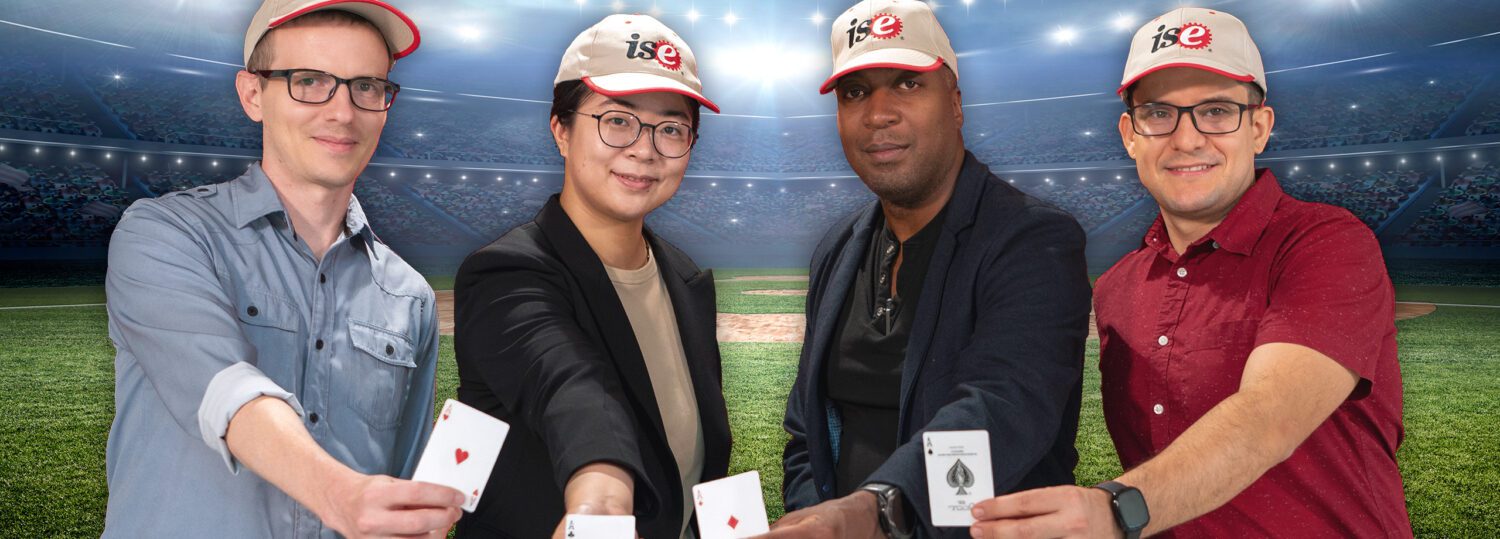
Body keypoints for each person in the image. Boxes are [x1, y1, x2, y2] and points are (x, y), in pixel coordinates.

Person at [969, 8, 1411, 538]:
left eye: (1217, 111)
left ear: (1260, 127)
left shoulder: (1325, 243)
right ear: (1130, 135)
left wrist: (1118, 509)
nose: (1187, 139)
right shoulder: (1116, 289)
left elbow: (1270, 416)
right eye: (1159, 114)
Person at [102, 1, 463, 537]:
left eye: (367, 86)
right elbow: (224, 390)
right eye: (310, 81)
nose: (342, 112)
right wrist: (338, 494)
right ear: (252, 94)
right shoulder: (165, 233)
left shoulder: (409, 297)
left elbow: (399, 480)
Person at [768, 1, 1093, 537]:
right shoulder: (836, 248)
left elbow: (1001, 408)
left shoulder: (1033, 238)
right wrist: (812, 511)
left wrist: (875, 510)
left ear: (956, 103)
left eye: (907, 84)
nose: (879, 114)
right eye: (855, 93)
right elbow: (806, 429)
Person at [452, 14, 731, 539]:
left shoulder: (685, 278)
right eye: (618, 120)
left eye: (671, 128)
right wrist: (600, 497)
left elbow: (697, 469)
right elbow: (572, 390)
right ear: (560, 129)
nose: (645, 149)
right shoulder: (506, 274)